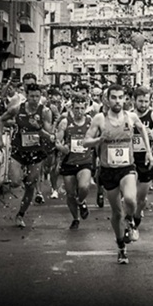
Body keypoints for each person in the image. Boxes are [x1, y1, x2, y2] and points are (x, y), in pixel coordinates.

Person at [83, 84, 153, 264]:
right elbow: (85, 142)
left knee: (130, 199)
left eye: (120, 97)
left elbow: (142, 128)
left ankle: (130, 220)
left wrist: (148, 151)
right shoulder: (99, 119)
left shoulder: (131, 117)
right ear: (107, 99)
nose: (117, 101)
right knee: (116, 213)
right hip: (108, 170)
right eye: (113, 97)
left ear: (125, 99)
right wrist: (100, 139)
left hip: (127, 167)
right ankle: (121, 245)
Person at [0, 83, 55, 228]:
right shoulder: (17, 109)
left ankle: (20, 214)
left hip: (36, 152)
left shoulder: (45, 111)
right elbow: (0, 120)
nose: (34, 99)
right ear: (26, 96)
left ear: (41, 97)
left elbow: (49, 136)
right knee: (15, 181)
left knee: (30, 185)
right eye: (32, 96)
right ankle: (21, 175)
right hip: (19, 150)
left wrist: (39, 128)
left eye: (37, 96)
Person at [55, 93, 94, 230]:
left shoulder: (90, 121)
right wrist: (62, 147)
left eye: (82, 108)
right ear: (72, 108)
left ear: (86, 108)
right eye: (76, 108)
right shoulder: (65, 122)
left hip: (85, 161)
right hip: (69, 162)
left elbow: (98, 137)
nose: (79, 111)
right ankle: (75, 218)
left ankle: (82, 201)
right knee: (70, 194)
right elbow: (57, 141)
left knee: (83, 187)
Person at [131, 86, 153, 232]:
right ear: (134, 101)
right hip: (130, 160)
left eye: (146, 101)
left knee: (141, 197)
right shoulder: (128, 116)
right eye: (140, 101)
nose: (143, 104)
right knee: (129, 194)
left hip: (147, 159)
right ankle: (129, 220)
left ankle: (137, 214)